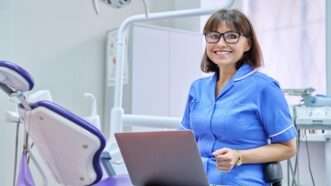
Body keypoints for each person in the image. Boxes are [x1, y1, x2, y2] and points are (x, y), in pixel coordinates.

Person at [180, 9, 297, 186]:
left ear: (248, 44)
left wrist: (240, 156)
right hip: (198, 180)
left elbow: (288, 148)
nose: (220, 43)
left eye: (231, 36)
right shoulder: (198, 88)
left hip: (242, 180)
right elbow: (184, 140)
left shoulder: (264, 88)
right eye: (214, 36)